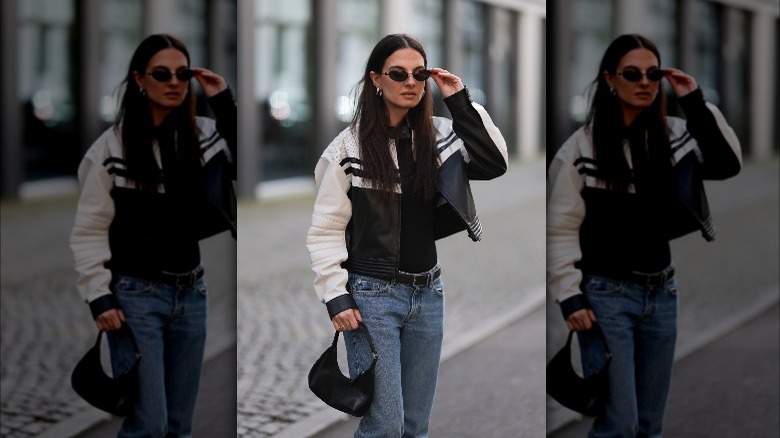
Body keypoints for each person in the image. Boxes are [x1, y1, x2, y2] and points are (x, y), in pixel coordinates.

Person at [306, 33, 508, 437]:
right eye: (398, 74)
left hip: (429, 294)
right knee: (385, 425)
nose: (411, 82)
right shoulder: (348, 147)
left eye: (419, 74)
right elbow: (325, 229)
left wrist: (459, 99)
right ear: (376, 79)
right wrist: (336, 295)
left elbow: (493, 161)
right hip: (372, 298)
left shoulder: (439, 135)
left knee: (416, 426)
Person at [547, 34, 741, 437]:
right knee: (620, 424)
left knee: (649, 426)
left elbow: (726, 163)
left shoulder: (674, 135)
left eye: (653, 74)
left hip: (662, 294)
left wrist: (693, 98)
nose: (645, 82)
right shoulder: (581, 148)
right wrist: (569, 295)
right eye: (632, 74)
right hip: (605, 298)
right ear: (609, 79)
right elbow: (560, 227)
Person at [70, 33, 236, 437]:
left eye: (182, 73)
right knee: (149, 424)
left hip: (191, 295)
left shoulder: (203, 136)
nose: (174, 82)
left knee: (179, 426)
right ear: (139, 79)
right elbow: (89, 229)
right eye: (161, 74)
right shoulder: (110, 149)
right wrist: (99, 296)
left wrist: (222, 100)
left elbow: (241, 167)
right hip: (134, 299)